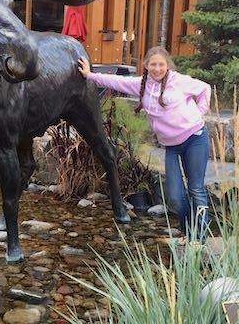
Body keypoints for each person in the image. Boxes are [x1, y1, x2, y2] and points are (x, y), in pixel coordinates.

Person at [78, 46, 212, 243]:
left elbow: (204, 88)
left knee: (196, 189)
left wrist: (199, 113)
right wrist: (90, 75)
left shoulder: (179, 81)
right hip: (172, 147)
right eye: (153, 65)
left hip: (195, 139)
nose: (157, 68)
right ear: (146, 66)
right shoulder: (142, 85)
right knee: (175, 196)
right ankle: (188, 233)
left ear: (167, 66)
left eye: (161, 65)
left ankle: (199, 237)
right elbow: (117, 81)